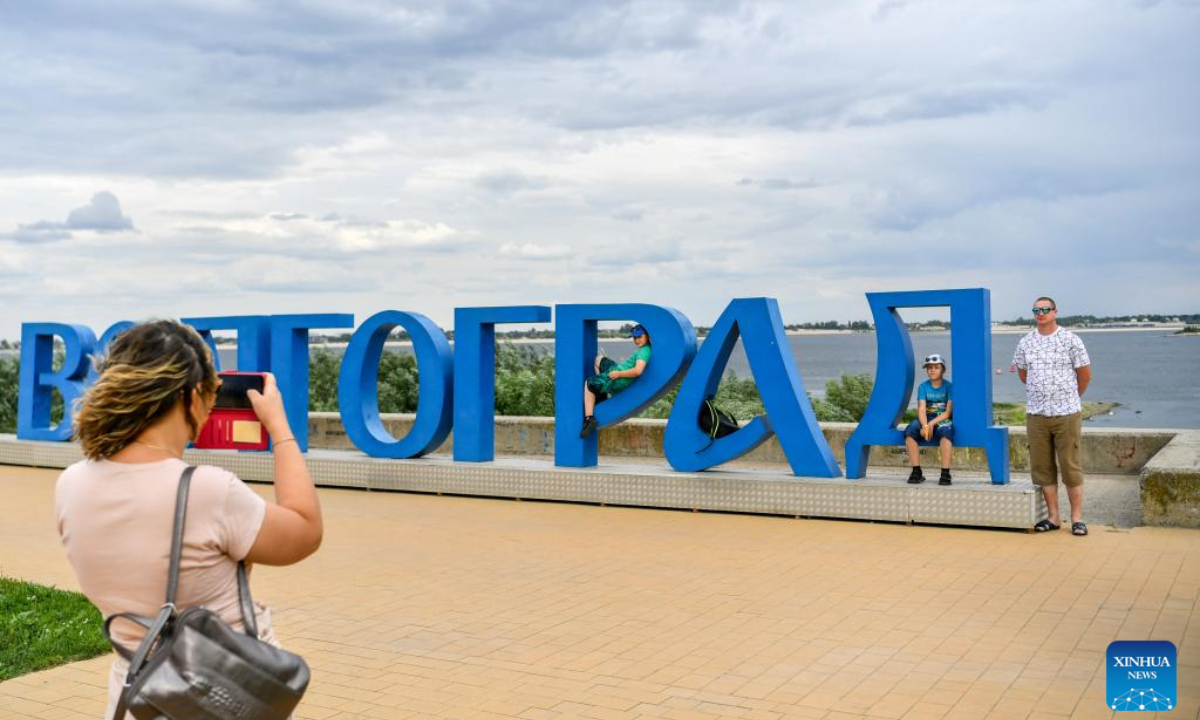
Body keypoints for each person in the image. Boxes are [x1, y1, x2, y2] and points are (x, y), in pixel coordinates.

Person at [55, 320, 323, 719]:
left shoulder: (71, 483)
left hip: (138, 697)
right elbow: (304, 529)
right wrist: (279, 428)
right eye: (211, 389)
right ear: (191, 394)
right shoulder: (208, 491)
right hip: (220, 697)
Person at [1013, 296, 1092, 535]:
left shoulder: (1071, 340)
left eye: (1046, 309)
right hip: (1036, 415)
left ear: (1055, 312)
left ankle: (1077, 518)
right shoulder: (1026, 342)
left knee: (1070, 466)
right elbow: (1023, 373)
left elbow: (1085, 375)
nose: (1041, 313)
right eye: (1037, 310)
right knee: (1042, 467)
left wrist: (1069, 397)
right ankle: (1054, 518)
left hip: (1066, 413)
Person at [580, 324, 652, 438]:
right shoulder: (644, 349)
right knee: (599, 360)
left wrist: (618, 374)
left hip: (618, 379)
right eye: (634, 338)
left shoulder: (644, 351)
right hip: (616, 370)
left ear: (647, 336)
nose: (637, 340)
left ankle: (589, 419)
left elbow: (638, 371)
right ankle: (602, 392)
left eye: (639, 337)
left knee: (589, 383)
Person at [903, 353, 954, 485]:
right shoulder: (923, 387)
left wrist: (931, 424)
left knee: (946, 433)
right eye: (929, 367)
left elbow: (948, 412)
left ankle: (945, 473)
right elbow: (921, 409)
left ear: (943, 369)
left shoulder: (949, 387)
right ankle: (916, 471)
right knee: (910, 432)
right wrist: (925, 425)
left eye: (936, 367)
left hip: (941, 418)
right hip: (925, 418)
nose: (932, 370)